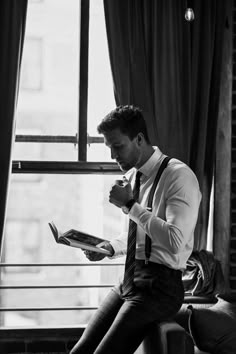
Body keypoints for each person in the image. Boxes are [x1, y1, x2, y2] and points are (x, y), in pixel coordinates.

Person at [70, 105, 202, 354]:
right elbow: (138, 235)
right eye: (109, 147)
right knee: (80, 351)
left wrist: (130, 205)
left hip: (160, 288)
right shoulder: (134, 177)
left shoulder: (178, 176)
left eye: (117, 146)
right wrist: (109, 248)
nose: (113, 155)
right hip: (129, 280)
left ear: (139, 139)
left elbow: (175, 240)